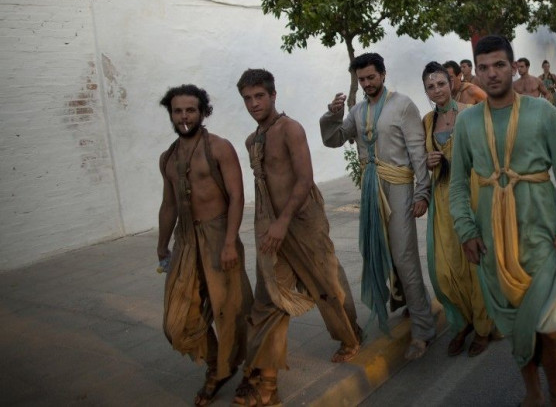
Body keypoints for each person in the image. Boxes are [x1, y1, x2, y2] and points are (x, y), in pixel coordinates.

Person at [450, 35, 556, 407]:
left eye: (499, 65)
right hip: (495, 244)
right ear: (475, 73)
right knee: (517, 327)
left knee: (554, 329)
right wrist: (466, 229)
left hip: (544, 237)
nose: (491, 73)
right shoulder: (467, 123)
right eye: (484, 67)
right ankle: (533, 394)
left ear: (513, 67)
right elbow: (459, 185)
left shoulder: (542, 112)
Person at [232, 70, 363, 406]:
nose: (253, 104)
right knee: (267, 298)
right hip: (270, 226)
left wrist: (284, 221)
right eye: (247, 98)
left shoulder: (291, 129)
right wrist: (266, 224)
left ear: (273, 95)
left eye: (259, 96)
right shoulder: (251, 140)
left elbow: (304, 178)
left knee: (327, 283)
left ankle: (351, 336)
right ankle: (265, 375)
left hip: (303, 220)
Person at [321, 53, 436, 360]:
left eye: (372, 77)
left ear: (383, 75)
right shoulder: (357, 111)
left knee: (404, 255)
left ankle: (423, 330)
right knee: (377, 252)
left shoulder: (403, 105)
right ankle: (414, 304)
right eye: (362, 79)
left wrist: (422, 192)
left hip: (398, 187)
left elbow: (417, 151)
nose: (367, 83)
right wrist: (331, 116)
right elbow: (334, 138)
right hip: (371, 189)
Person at [158, 84, 253, 407]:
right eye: (177, 111)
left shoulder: (219, 148)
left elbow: (237, 196)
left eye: (190, 110)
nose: (184, 117)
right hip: (185, 240)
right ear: (170, 114)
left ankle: (243, 373)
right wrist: (161, 246)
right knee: (178, 320)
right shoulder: (167, 158)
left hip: (218, 236)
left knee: (232, 311)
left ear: (202, 112)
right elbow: (168, 204)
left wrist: (229, 242)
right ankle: (219, 363)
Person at [420, 62, 501, 358]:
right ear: (426, 90)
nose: (437, 90)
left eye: (441, 83)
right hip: (442, 198)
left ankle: (483, 327)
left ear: (452, 82)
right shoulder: (427, 121)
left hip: (471, 195)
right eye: (431, 86)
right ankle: (463, 320)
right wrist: (427, 162)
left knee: (475, 263)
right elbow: (420, 159)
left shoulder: (470, 113)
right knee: (445, 268)